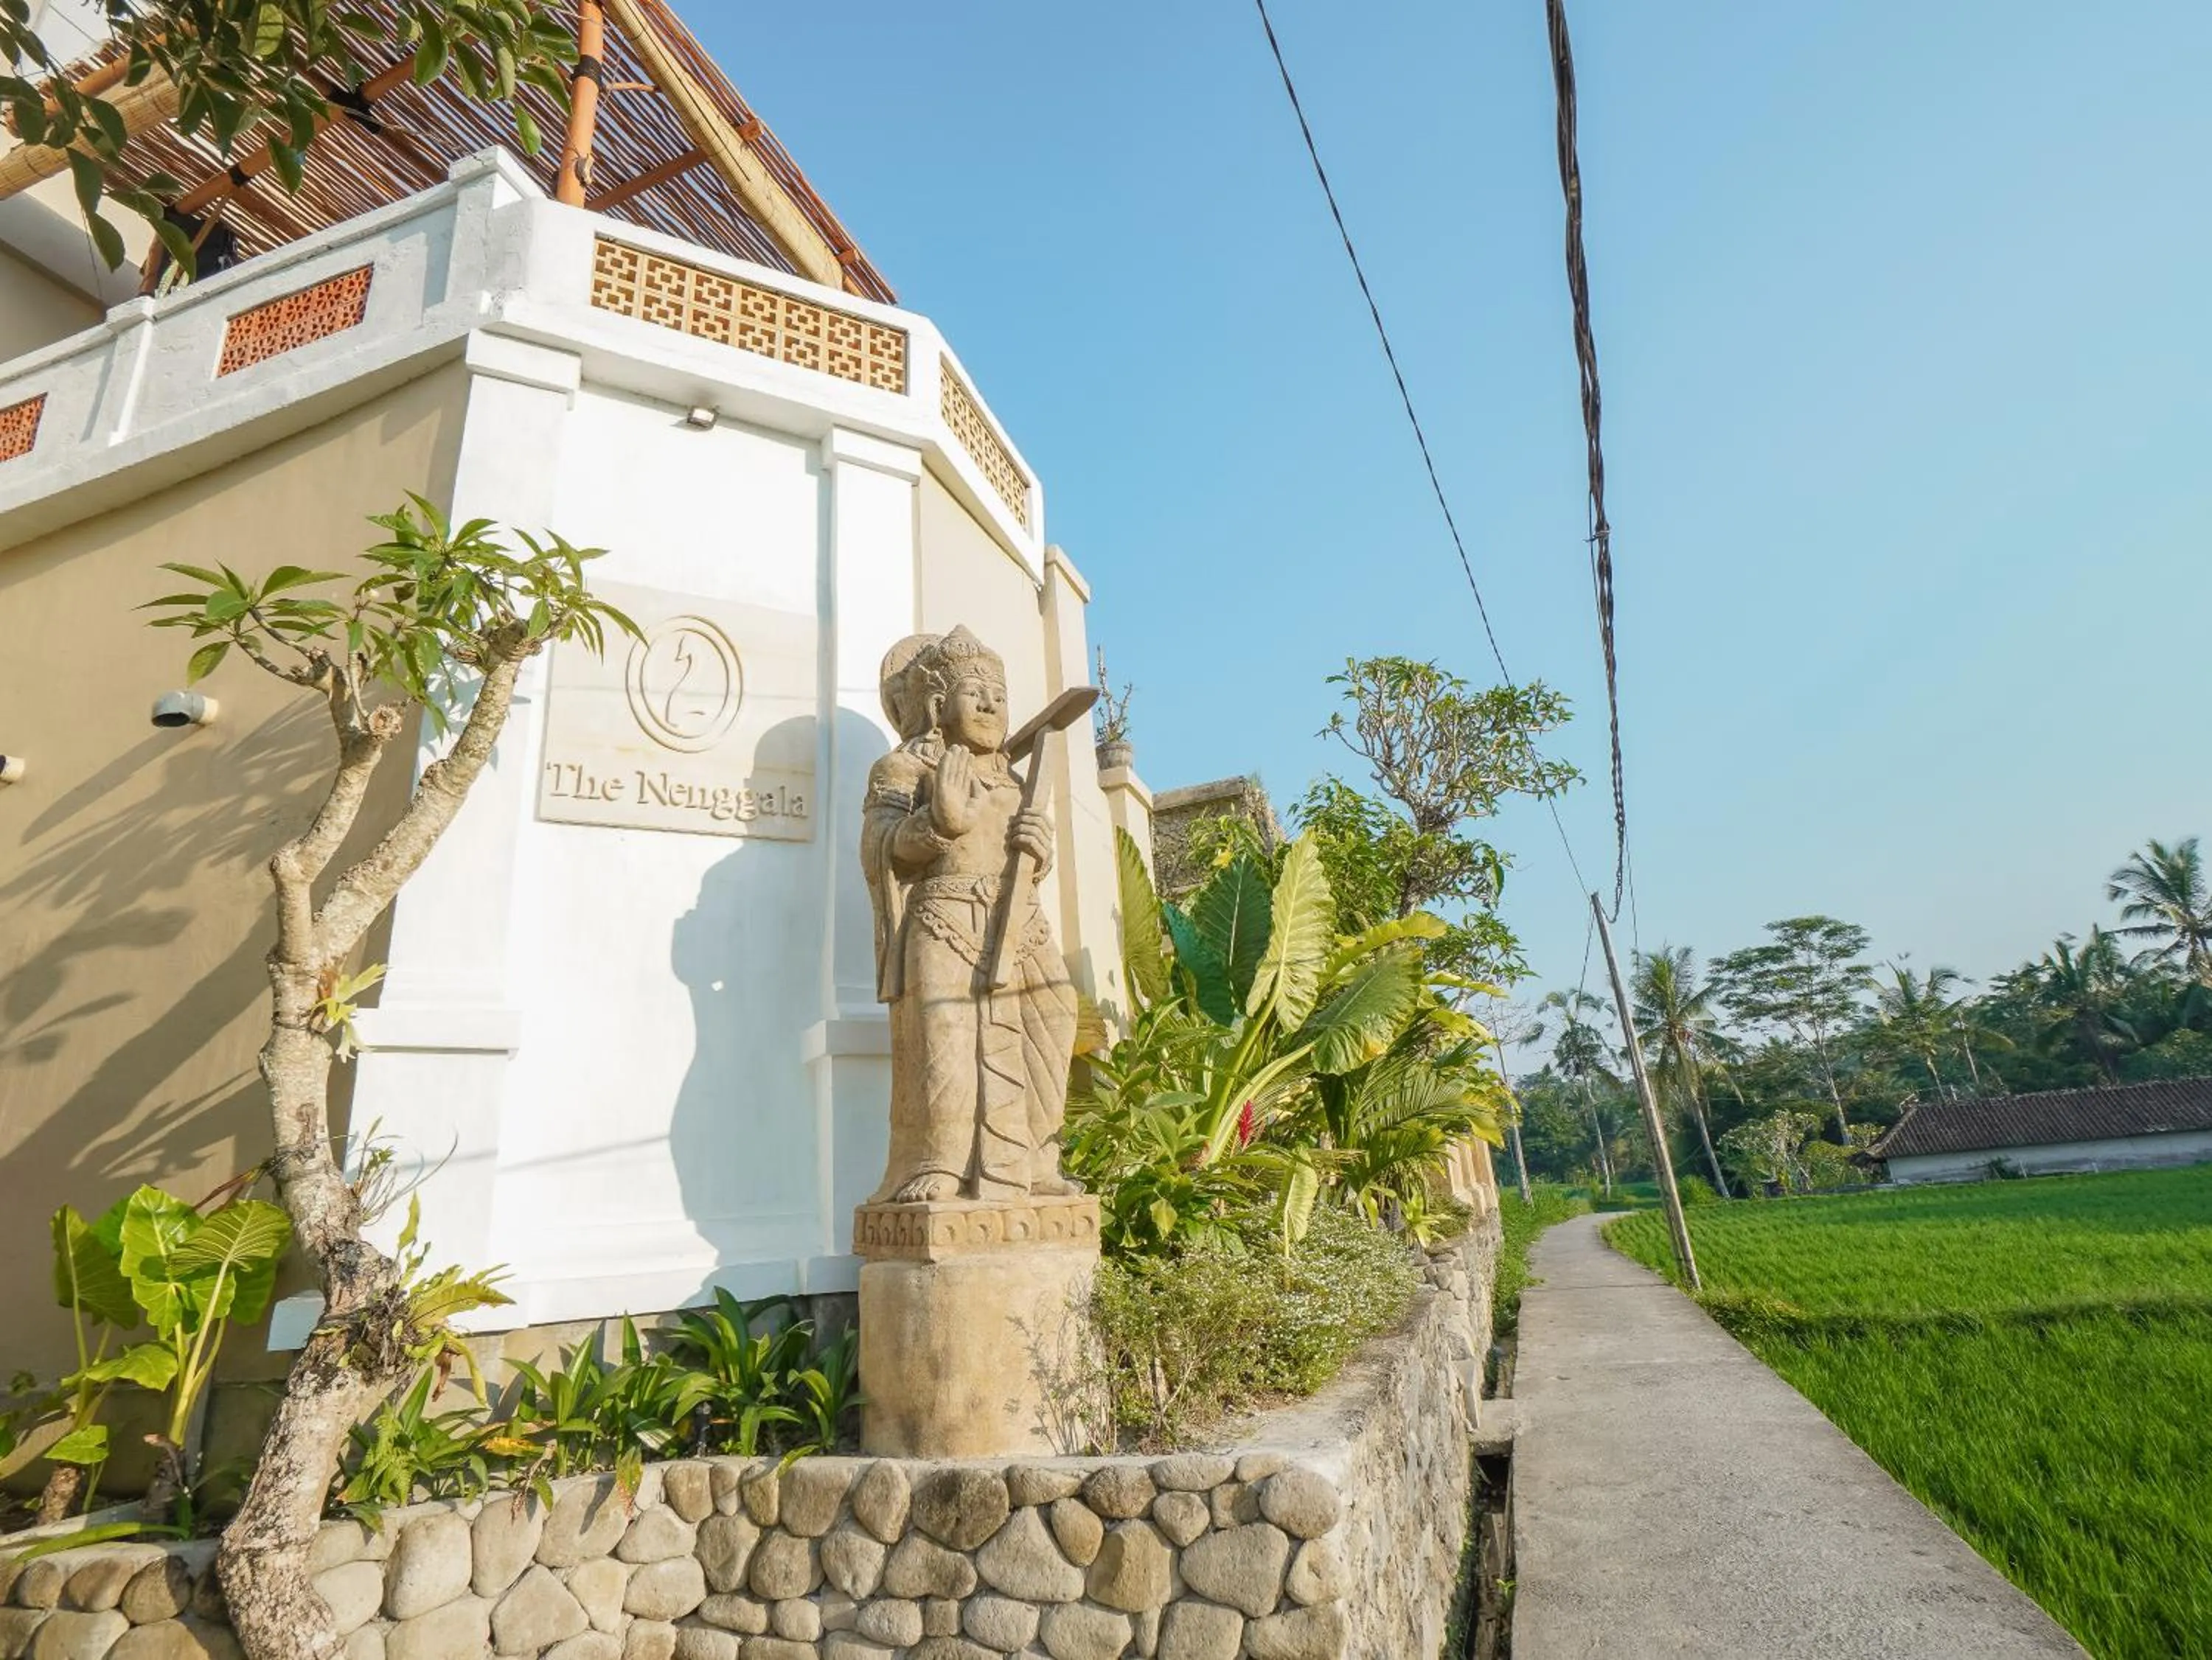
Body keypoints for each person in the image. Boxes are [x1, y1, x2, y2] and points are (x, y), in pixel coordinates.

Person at [860, 627, 1080, 1203]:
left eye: (1000, 696)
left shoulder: (1011, 777)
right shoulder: (902, 769)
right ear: (936, 705)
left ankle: (1036, 1158)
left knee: (1055, 1015)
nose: (990, 705)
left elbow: (1023, 860)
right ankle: (942, 1163)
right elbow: (881, 848)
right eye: (975, 691)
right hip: (944, 920)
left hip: (1020, 919)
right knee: (946, 1039)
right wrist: (937, 824)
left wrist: (1039, 847)